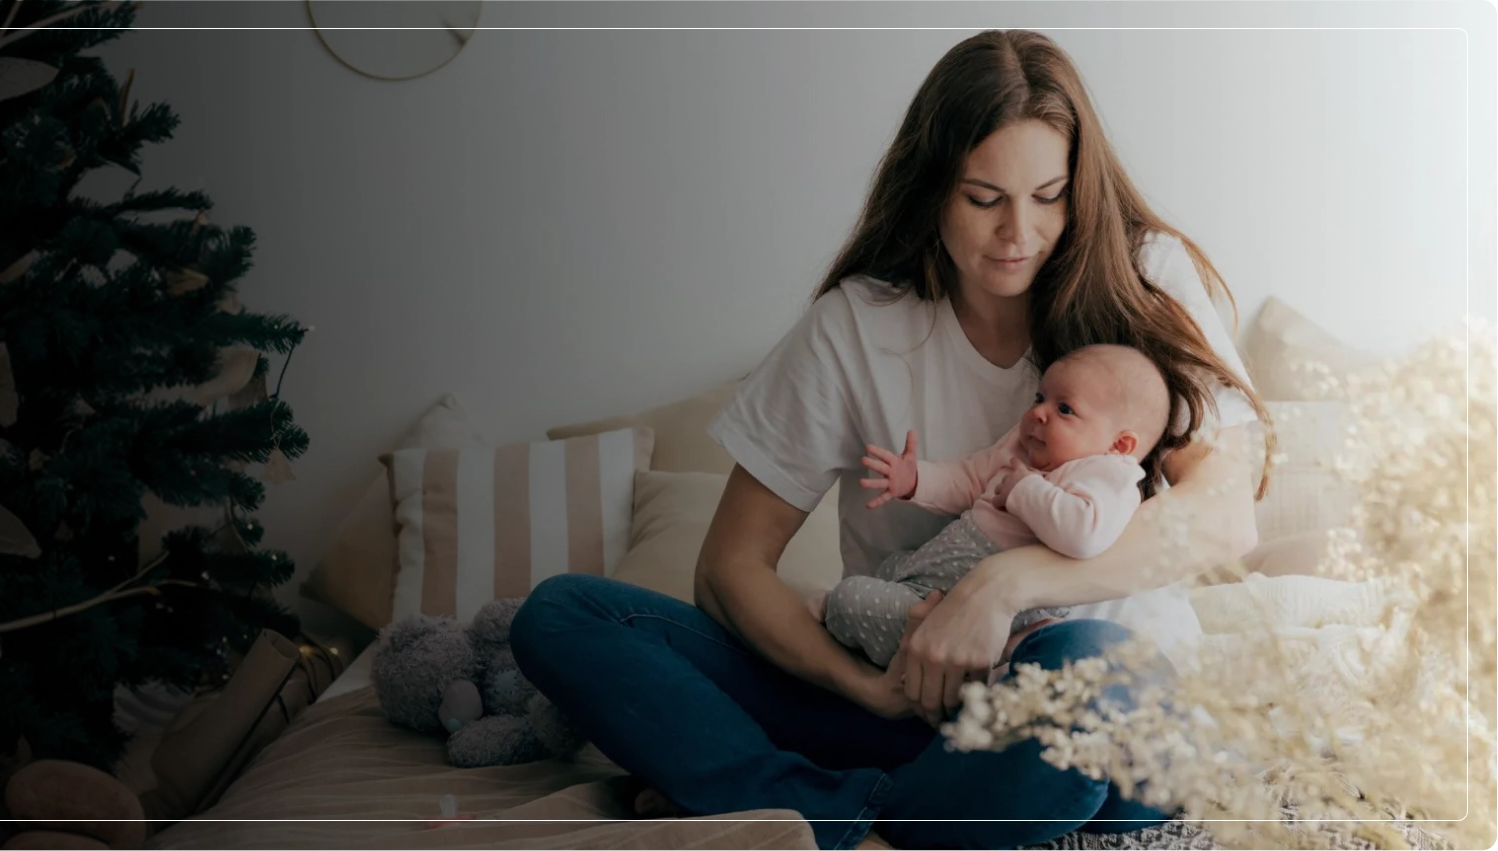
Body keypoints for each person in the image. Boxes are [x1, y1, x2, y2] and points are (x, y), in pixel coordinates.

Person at [511, 29, 1276, 851]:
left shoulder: (1144, 273)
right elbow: (729, 569)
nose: (1018, 232)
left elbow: (1224, 513)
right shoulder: (855, 326)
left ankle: (798, 802)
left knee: (1089, 679)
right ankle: (870, 813)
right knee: (563, 615)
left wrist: (1003, 585)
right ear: (930, 188)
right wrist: (862, 686)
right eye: (983, 198)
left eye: (1048, 196)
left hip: (1090, 701)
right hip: (901, 705)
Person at [815, 344, 1178, 670]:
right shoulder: (1021, 446)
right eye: (1040, 398)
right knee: (892, 564)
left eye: (1065, 409)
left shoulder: (1108, 475)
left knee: (851, 597)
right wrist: (915, 480)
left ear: (1119, 445)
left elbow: (1083, 535)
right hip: (942, 567)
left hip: (971, 604)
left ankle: (842, 615)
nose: (1039, 413)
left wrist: (1023, 489)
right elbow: (970, 478)